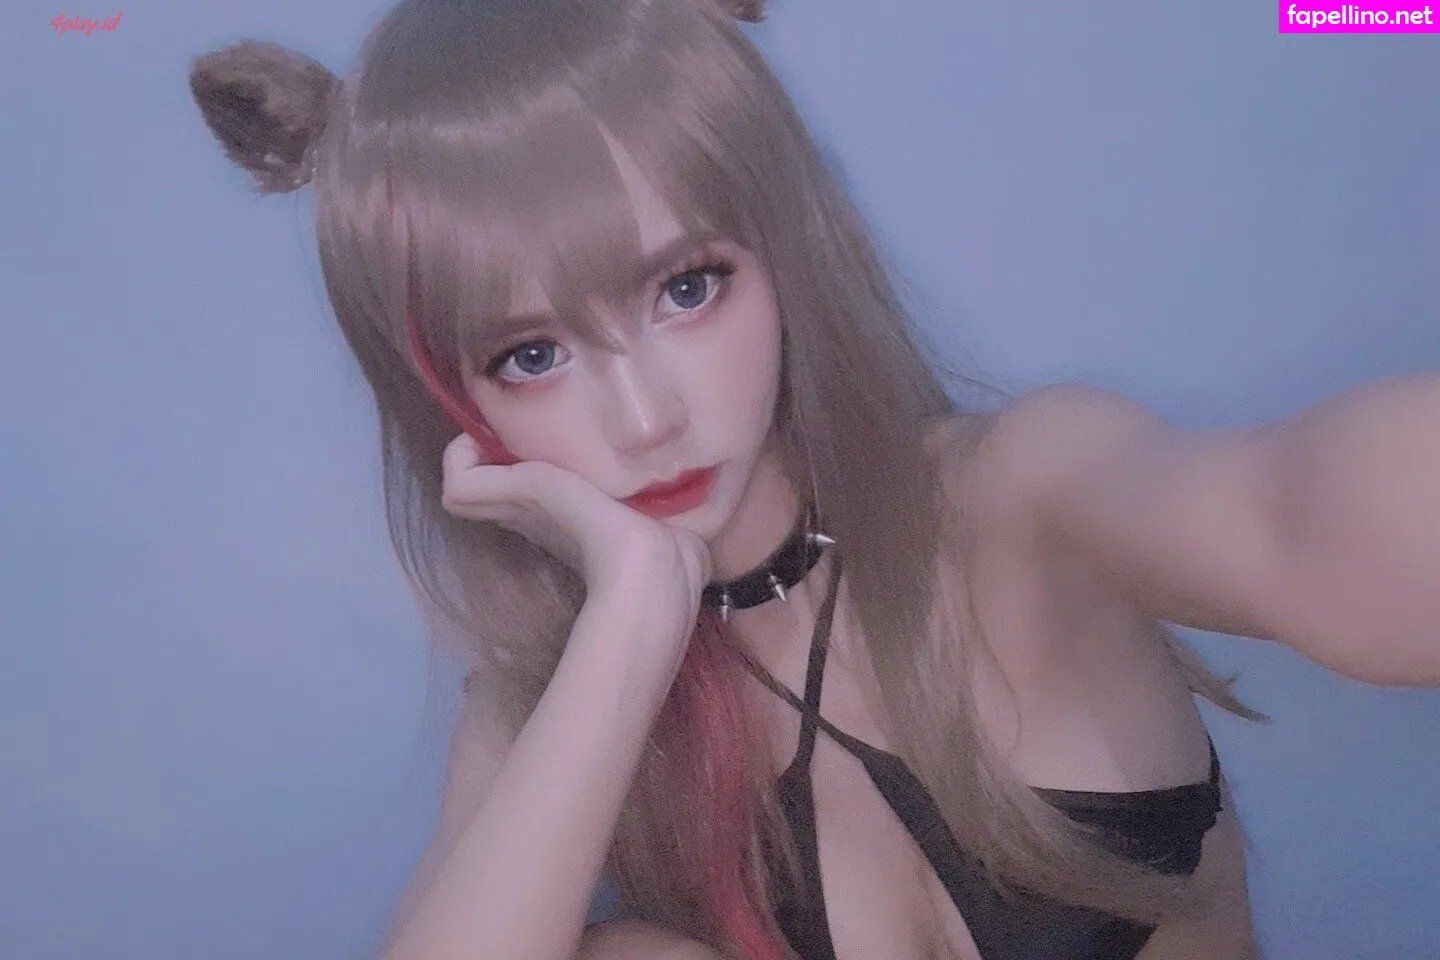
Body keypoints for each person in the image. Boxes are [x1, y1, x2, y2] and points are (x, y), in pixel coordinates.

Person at [186, 1, 1440, 958]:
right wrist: (633, 615)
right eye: (530, 355)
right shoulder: (541, 717)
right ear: (451, 401)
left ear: (780, 248)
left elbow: (1301, 512)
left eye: (687, 288)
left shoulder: (1017, 501)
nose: (644, 418)